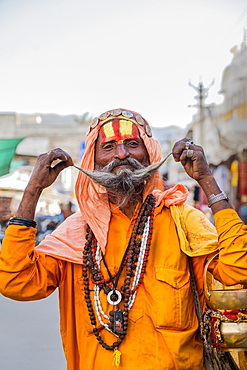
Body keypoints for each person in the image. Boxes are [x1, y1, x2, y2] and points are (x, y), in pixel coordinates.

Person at [0, 108, 247, 370]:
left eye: (132, 144)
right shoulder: (77, 231)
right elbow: (16, 282)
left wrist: (206, 180)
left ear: (149, 153)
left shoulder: (183, 221)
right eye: (108, 146)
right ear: (93, 160)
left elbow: (239, 269)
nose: (122, 154)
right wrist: (33, 190)